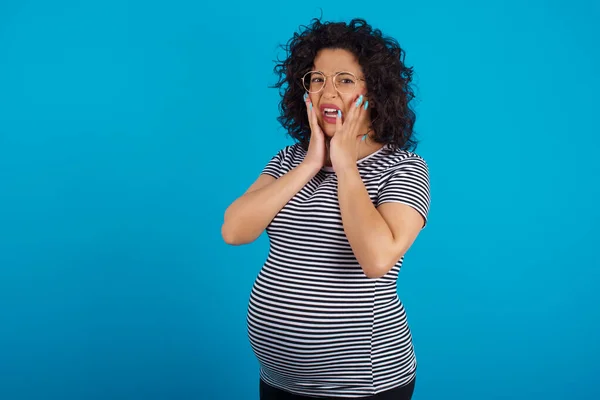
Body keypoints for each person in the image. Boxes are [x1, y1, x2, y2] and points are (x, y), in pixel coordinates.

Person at [221, 17, 431, 400]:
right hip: (279, 380)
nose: (327, 91)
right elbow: (234, 231)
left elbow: (376, 258)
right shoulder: (290, 160)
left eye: (344, 80)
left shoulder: (402, 168)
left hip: (363, 386)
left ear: (376, 91)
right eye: (317, 79)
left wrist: (346, 165)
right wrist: (309, 165)